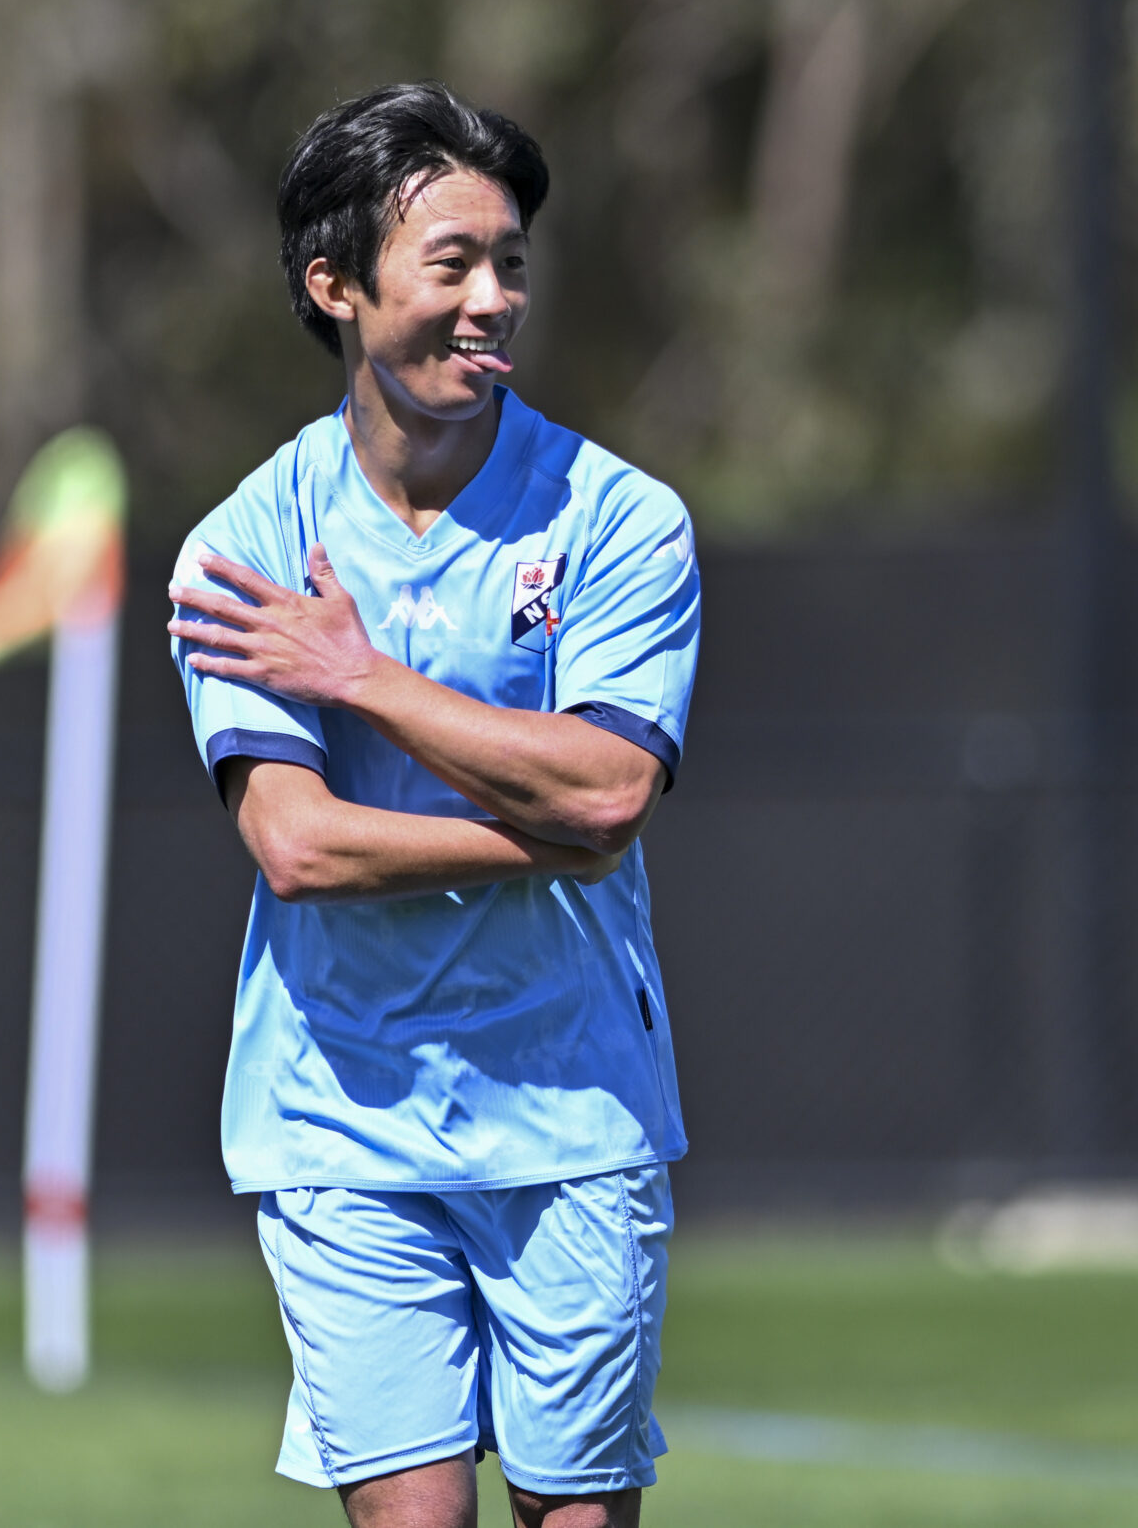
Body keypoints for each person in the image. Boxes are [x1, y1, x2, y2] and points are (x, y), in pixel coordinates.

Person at [166, 81, 701, 1528]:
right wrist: (555, 837)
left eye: (510, 263)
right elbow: (297, 844)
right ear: (336, 287)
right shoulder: (244, 549)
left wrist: (367, 682)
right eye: (451, 265)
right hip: (344, 1118)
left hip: (573, 1106)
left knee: (575, 1515)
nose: (492, 301)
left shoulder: (621, 520)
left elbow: (612, 784)